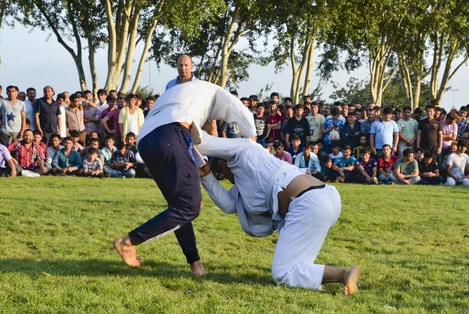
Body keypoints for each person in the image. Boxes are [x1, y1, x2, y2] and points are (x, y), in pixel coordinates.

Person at [113, 80, 256, 278]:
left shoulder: (185, 97)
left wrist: (201, 165)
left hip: (146, 141)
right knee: (190, 207)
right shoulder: (217, 93)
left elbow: (197, 141)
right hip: (171, 135)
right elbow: (245, 116)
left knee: (179, 206)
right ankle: (128, 241)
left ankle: (196, 265)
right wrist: (252, 143)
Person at [197, 132, 361, 294]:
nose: (225, 176)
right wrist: (207, 175)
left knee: (283, 273)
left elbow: (202, 141)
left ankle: (344, 273)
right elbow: (229, 204)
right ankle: (314, 277)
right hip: (324, 198)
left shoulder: (245, 153)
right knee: (297, 265)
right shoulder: (248, 177)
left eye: (221, 168)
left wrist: (186, 136)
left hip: (309, 203)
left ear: (227, 159)